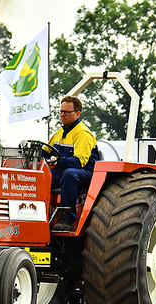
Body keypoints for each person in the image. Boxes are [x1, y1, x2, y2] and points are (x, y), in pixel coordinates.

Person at [46, 95, 101, 232]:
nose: (62, 115)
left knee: (69, 174)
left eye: (67, 112)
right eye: (61, 111)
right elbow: (46, 151)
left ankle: (66, 219)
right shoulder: (60, 132)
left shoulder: (82, 133)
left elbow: (79, 162)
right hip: (64, 170)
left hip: (87, 173)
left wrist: (57, 161)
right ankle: (41, 215)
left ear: (77, 114)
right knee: (42, 175)